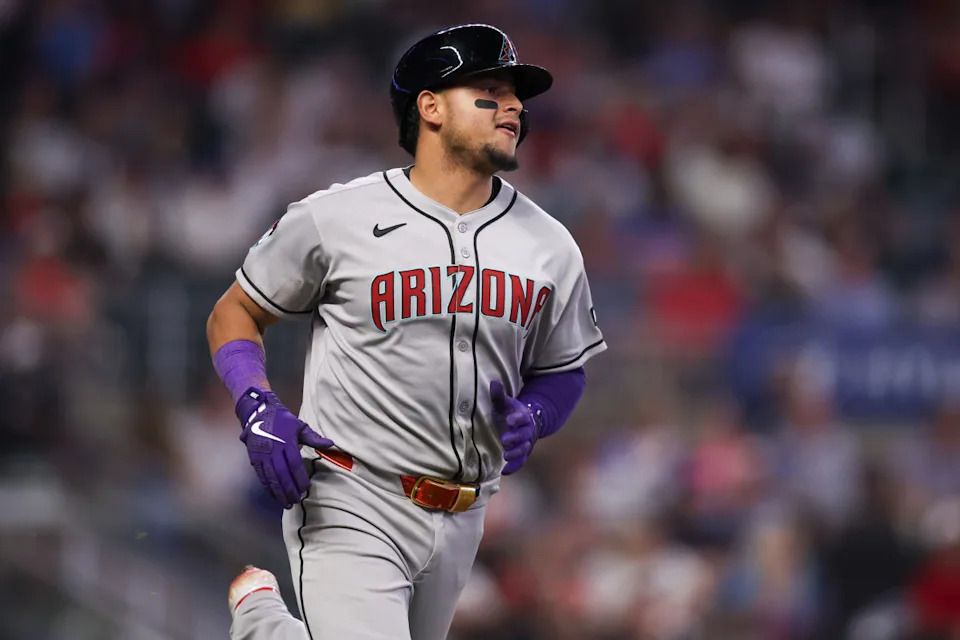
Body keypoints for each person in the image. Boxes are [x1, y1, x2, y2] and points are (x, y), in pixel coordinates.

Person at [207, 24, 606, 640]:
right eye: (491, 91)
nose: (514, 108)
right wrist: (255, 402)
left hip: (465, 511)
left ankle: (264, 626)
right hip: (351, 491)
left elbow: (563, 368)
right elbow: (234, 311)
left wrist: (536, 413)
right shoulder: (336, 217)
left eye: (517, 97)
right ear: (431, 106)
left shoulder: (551, 244)